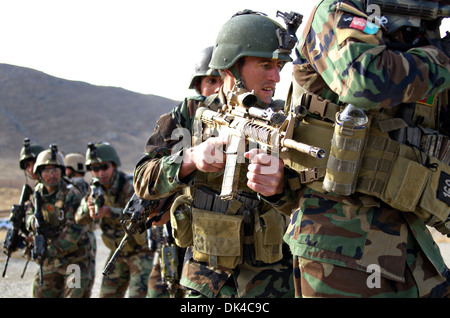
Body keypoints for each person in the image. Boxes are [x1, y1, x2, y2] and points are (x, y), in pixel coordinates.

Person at [281, 0, 450, 297]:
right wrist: (444, 58)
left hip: (412, 233)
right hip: (340, 246)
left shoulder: (419, 39)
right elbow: (363, 81)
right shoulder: (337, 10)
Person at [134, 10, 300, 298]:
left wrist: (282, 188)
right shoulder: (189, 115)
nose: (275, 76)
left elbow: (310, 203)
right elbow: (143, 179)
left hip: (270, 282)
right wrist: (189, 160)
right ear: (230, 69)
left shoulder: (284, 122)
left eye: (278, 66)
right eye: (265, 65)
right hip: (206, 280)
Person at [146, 46, 223, 298]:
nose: (219, 88)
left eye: (224, 79)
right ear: (199, 86)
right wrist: (188, 160)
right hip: (189, 242)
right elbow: (145, 176)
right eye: (211, 81)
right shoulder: (184, 117)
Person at [75, 141, 153, 298]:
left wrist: (109, 212)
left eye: (105, 167)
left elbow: (139, 216)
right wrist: (88, 208)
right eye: (95, 169)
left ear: (114, 165)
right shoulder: (95, 190)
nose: (100, 173)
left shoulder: (130, 186)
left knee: (138, 295)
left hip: (139, 250)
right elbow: (79, 219)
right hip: (117, 250)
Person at [25, 144, 93, 297]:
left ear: (62, 172)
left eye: (56, 170)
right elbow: (28, 212)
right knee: (40, 292)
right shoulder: (37, 194)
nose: (52, 174)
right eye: (47, 170)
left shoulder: (72, 195)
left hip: (74, 259)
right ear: (39, 173)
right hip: (50, 261)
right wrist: (31, 221)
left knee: (74, 293)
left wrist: (49, 251)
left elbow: (73, 231)